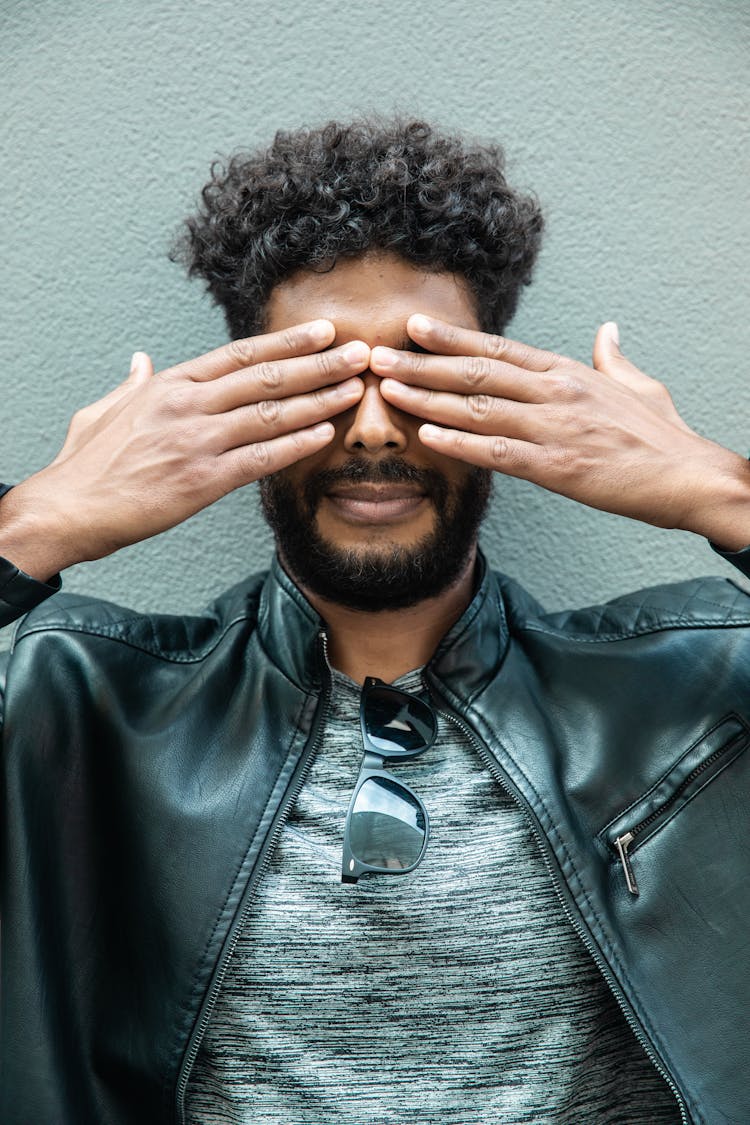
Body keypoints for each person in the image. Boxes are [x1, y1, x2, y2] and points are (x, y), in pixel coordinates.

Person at [1, 119, 748, 1125]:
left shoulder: (695, 697)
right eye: (322, 381)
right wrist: (31, 524)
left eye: (418, 374)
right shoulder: (76, 709)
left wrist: (721, 492)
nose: (372, 427)